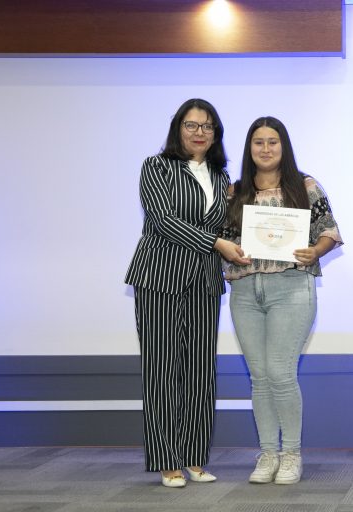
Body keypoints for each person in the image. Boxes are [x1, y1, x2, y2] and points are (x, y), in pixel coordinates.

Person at [125, 98, 249, 488]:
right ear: (178, 128)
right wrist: (216, 243)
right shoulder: (156, 166)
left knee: (199, 372)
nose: (199, 132)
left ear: (216, 134)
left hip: (205, 282)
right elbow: (163, 221)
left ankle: (194, 456)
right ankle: (167, 460)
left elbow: (226, 227)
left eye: (207, 126)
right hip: (160, 277)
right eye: (192, 125)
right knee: (161, 370)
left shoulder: (220, 175)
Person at [224, 116, 343, 485]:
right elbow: (222, 237)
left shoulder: (305, 186)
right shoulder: (235, 191)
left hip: (291, 288)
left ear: (283, 146)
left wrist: (316, 250)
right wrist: (229, 250)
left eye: (272, 142)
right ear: (249, 148)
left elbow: (329, 231)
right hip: (245, 290)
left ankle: (291, 453)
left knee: (280, 372)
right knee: (260, 377)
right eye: (258, 142)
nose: (265, 149)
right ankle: (268, 454)